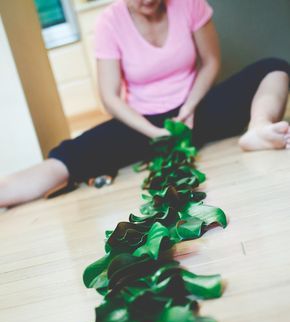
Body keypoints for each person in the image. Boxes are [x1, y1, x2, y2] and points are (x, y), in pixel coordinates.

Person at [0, 0, 289, 208]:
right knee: (72, 154)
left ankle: (259, 127)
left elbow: (211, 61)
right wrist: (154, 133)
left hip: (195, 110)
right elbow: (110, 96)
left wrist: (189, 106)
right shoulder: (109, 22)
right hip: (142, 123)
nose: (147, 1)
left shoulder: (190, 4)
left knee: (273, 67)